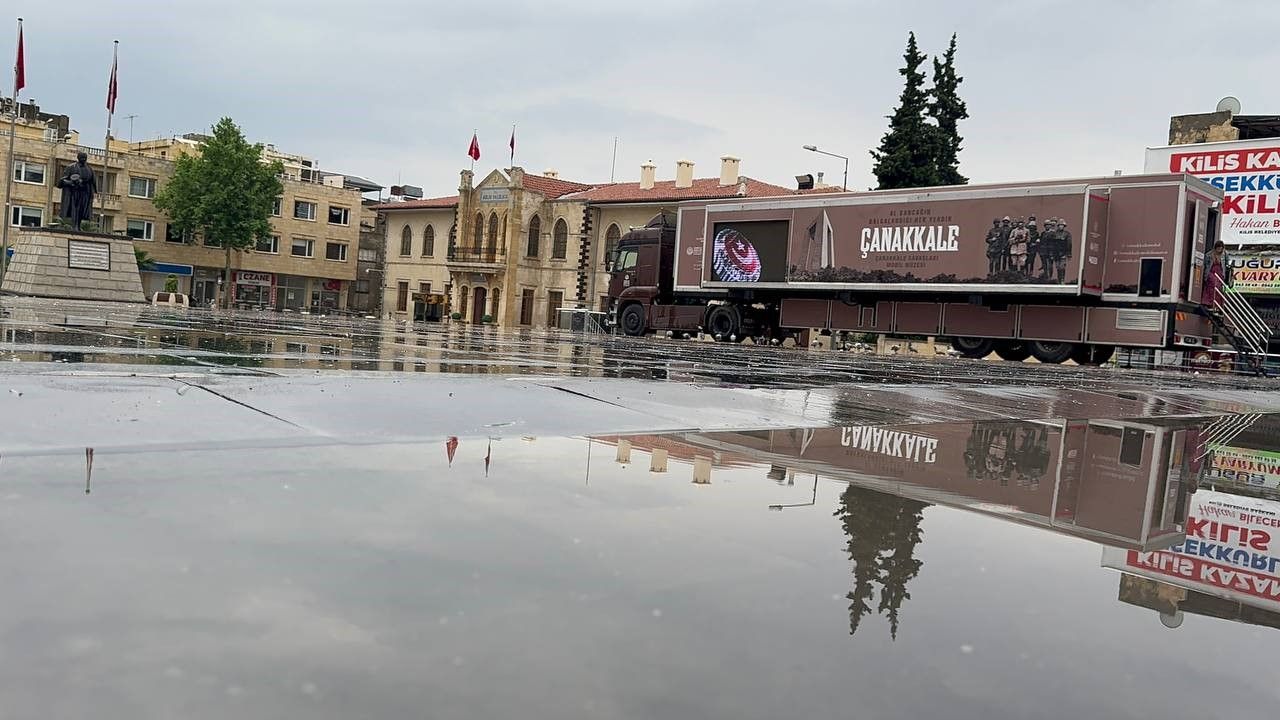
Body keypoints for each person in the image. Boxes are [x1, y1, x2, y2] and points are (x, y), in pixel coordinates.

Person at [56, 152, 97, 230]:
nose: (83, 159)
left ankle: (78, 225)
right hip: (74, 192)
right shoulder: (71, 167)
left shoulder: (90, 169)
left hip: (85, 192)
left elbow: (92, 181)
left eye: (85, 158)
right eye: (82, 158)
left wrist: (92, 191)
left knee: (82, 209)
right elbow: (62, 181)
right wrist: (71, 183)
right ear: (78, 158)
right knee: (75, 209)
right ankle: (74, 226)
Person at [1203, 240, 1233, 308]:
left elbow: (1227, 264)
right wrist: (1205, 274)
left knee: (1218, 288)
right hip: (1211, 271)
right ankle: (1209, 302)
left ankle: (1216, 304)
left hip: (1220, 273)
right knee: (1213, 285)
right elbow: (1205, 264)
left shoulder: (1225, 254)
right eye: (1218, 248)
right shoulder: (1209, 254)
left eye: (1221, 248)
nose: (1219, 250)